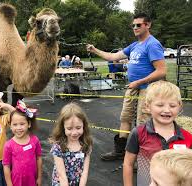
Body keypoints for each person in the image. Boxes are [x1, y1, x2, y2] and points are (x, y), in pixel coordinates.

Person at [87, 13, 166, 160]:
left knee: (143, 122)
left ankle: (144, 157)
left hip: (147, 89)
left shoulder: (152, 44)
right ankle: (120, 150)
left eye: (139, 25)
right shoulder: (135, 45)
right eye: (133, 25)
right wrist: (94, 50)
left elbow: (161, 71)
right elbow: (113, 57)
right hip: (133, 88)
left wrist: (139, 82)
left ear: (147, 25)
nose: (135, 28)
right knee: (125, 118)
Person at [123, 80, 192, 186]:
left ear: (180, 107)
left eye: (172, 106)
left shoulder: (188, 137)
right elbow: (128, 163)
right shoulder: (138, 133)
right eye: (160, 105)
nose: (167, 110)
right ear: (147, 106)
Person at [49, 102, 93, 186]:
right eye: (69, 128)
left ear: (84, 125)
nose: (74, 133)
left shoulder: (86, 144)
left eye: (78, 128)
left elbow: (85, 171)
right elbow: (61, 175)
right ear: (63, 127)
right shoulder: (58, 147)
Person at [2, 100, 42, 186]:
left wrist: (39, 177)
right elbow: (6, 166)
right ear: (10, 126)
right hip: (16, 181)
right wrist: (9, 184)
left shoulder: (35, 140)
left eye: (22, 124)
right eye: (15, 124)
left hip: (32, 180)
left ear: (29, 124)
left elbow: (39, 158)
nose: (18, 128)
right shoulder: (9, 145)